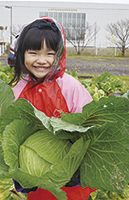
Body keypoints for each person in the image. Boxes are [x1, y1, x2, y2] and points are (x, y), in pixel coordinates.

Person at [10, 16, 96, 200]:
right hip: (36, 182)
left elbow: (90, 127)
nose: (42, 60)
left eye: (49, 54)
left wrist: (74, 167)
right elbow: (10, 135)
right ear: (21, 53)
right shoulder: (18, 91)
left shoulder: (70, 87)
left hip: (71, 180)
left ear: (59, 55)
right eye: (33, 53)